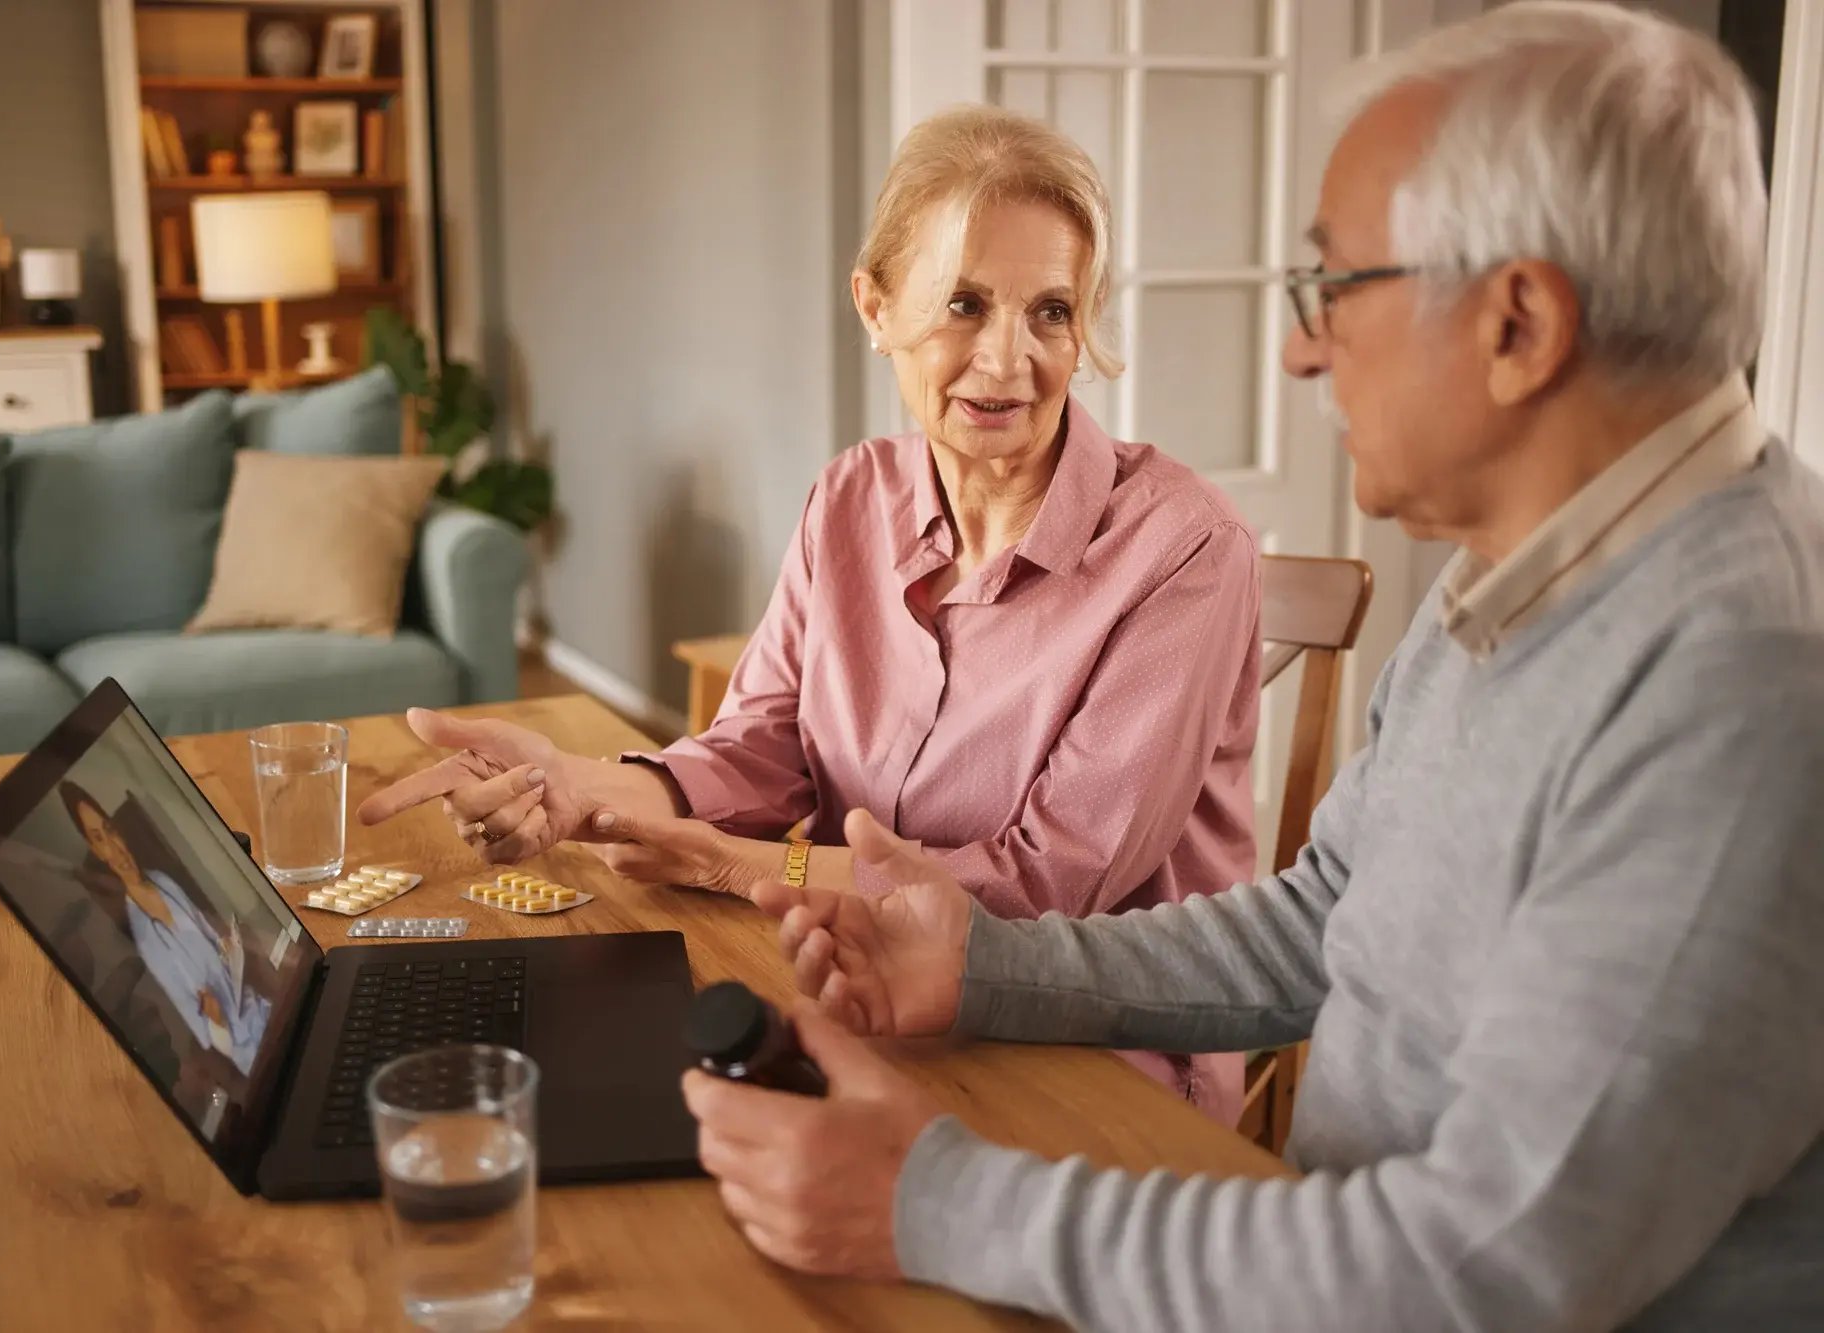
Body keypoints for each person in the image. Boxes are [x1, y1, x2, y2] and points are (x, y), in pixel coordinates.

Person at [680, 5, 1824, 1329]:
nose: (1300, 347)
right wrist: (981, 965)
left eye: (1334, 286)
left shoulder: (1746, 687)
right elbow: (1326, 913)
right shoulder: (1517, 570)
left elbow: (1485, 1267)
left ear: (1517, 324)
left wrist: (931, 1201)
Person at [361, 107, 1263, 1119]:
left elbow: (1041, 892)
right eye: (962, 304)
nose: (1008, 361)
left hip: (1097, 1055)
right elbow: (763, 743)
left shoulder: (1184, 549)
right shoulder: (849, 498)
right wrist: (582, 788)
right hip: (861, 985)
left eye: (1049, 311)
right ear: (873, 306)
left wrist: (727, 861)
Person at [60, 781, 269, 1078]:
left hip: (264, 1011)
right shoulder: (146, 938)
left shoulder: (163, 881)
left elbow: (218, 944)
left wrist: (231, 946)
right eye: (99, 838)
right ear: (96, 850)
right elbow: (210, 1035)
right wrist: (216, 1021)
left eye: (110, 829)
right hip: (253, 1053)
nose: (115, 846)